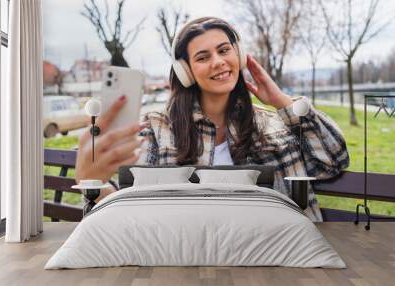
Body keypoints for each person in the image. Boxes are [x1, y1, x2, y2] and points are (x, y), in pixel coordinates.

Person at [75, 17, 349, 221]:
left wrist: (282, 101)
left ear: (239, 56)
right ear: (186, 72)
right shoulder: (157, 129)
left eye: (224, 50)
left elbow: (333, 162)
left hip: (274, 256)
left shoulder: (274, 125)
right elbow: (129, 210)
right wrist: (94, 184)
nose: (218, 62)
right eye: (203, 57)